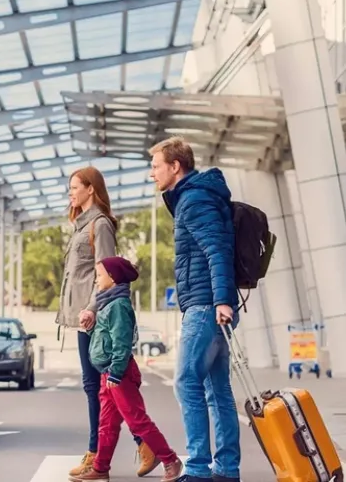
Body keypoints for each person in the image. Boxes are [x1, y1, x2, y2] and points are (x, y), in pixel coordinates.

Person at [148, 136, 240, 482]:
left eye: (156, 166)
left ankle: (200, 468)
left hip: (206, 305)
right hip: (210, 302)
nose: (152, 173)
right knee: (217, 390)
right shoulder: (200, 196)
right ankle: (227, 469)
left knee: (186, 382)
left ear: (175, 166)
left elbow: (217, 251)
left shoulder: (194, 199)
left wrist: (221, 301)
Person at [57, 167, 157, 478]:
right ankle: (106, 451)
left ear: (91, 189)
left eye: (75, 187)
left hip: (96, 316)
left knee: (107, 388)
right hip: (84, 317)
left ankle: (120, 449)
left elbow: (107, 275)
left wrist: (90, 309)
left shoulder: (99, 225)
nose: (71, 192)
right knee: (99, 388)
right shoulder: (80, 225)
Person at [71, 256, 184, 482]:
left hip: (118, 373)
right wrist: (92, 328)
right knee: (107, 424)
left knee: (137, 420)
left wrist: (116, 372)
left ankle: (170, 460)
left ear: (113, 278)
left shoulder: (119, 306)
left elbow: (121, 343)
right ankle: (101, 468)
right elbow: (105, 340)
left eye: (100, 275)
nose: (96, 280)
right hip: (107, 372)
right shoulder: (107, 303)